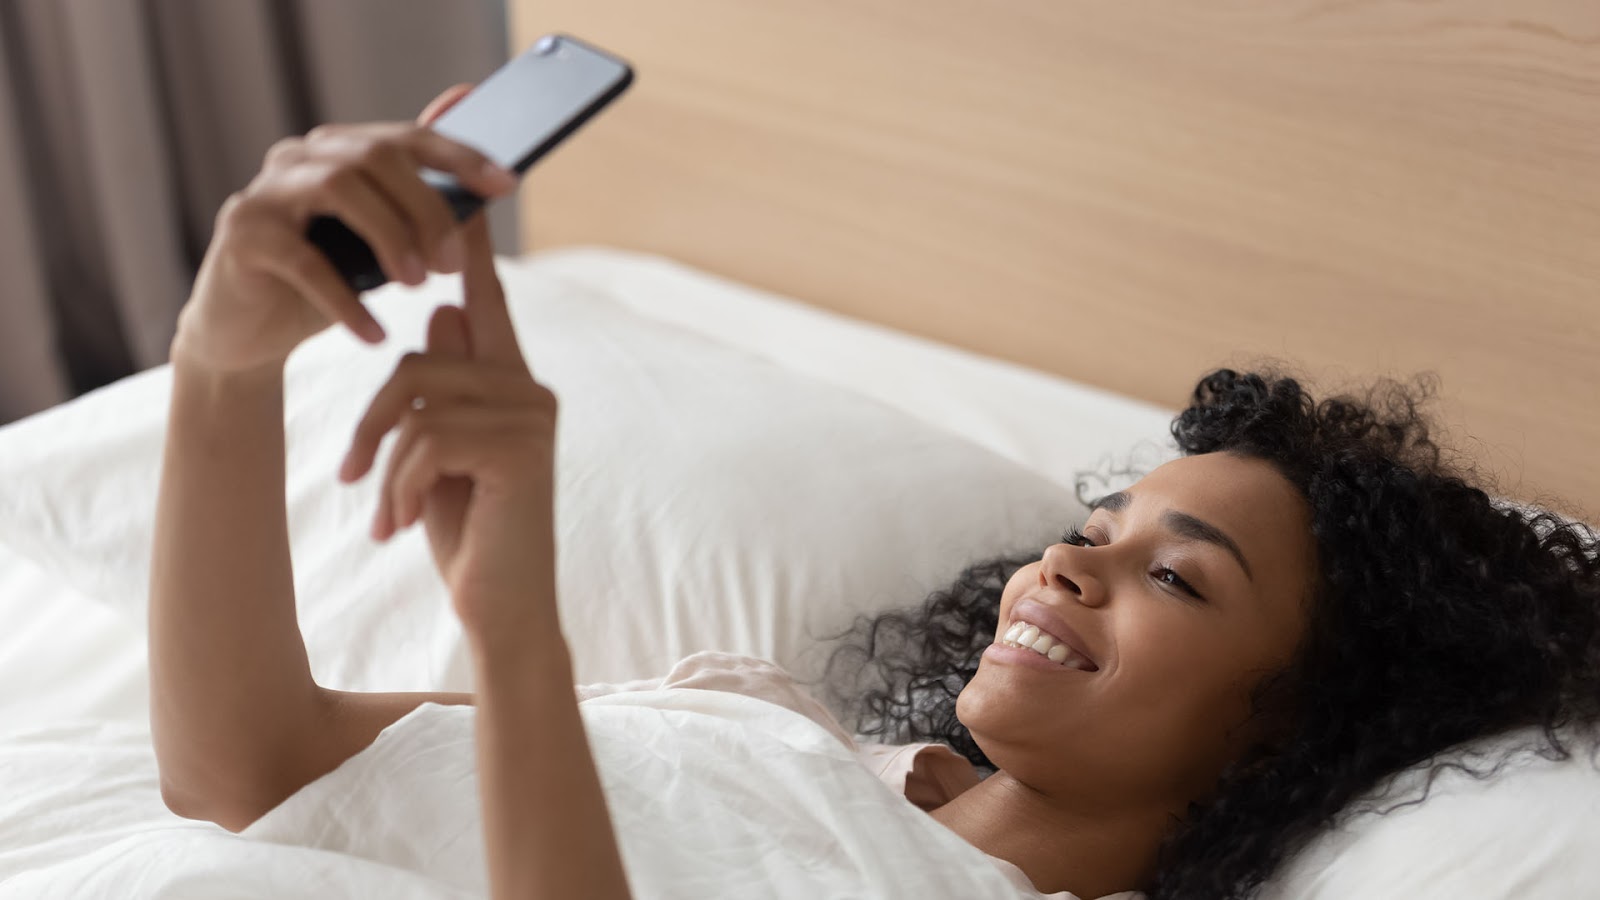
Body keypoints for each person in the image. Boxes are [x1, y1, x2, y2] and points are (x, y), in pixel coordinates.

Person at [148, 85, 1600, 900]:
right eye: (1095, 531)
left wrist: (519, 634)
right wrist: (223, 367)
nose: (1067, 569)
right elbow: (252, 766)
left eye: (1180, 576)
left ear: (1298, 721)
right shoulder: (754, 717)